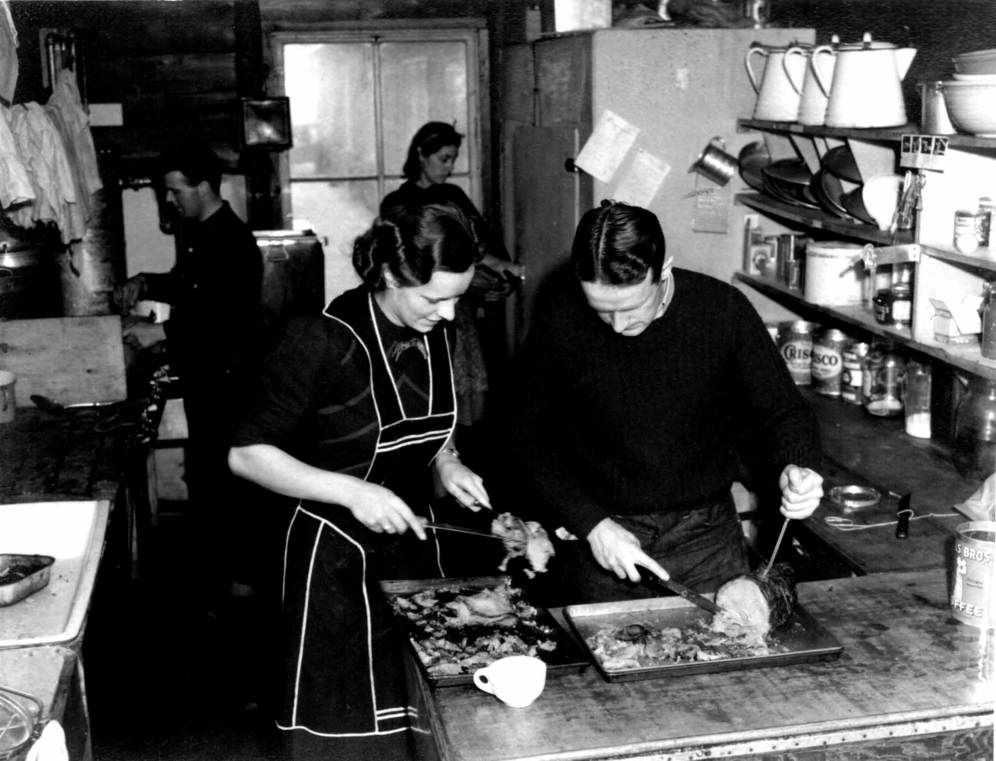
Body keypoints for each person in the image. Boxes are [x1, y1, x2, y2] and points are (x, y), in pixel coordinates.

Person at [228, 202, 491, 761]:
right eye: (434, 298)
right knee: (354, 743)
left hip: (415, 555)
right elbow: (246, 455)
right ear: (392, 275)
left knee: (430, 729)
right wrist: (355, 491)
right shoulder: (320, 339)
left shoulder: (433, 328)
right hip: (335, 565)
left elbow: (431, 425)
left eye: (457, 298)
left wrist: (448, 462)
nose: (448, 315)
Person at [506, 201, 824, 605]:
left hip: (705, 540)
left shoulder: (721, 310)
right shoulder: (561, 318)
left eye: (632, 308)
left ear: (665, 271)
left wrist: (798, 465)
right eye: (602, 312)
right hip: (603, 542)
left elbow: (784, 412)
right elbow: (525, 436)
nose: (619, 328)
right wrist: (591, 524)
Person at [113, 141, 264, 609]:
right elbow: (191, 286)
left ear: (202, 186)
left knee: (229, 480)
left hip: (229, 378)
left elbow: (223, 318)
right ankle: (224, 574)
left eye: (175, 191)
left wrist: (158, 332)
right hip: (208, 377)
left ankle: (244, 582)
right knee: (209, 473)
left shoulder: (233, 240)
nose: (170, 201)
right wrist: (147, 280)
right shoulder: (203, 232)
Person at [380, 121, 522, 446]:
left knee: (459, 395)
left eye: (453, 159)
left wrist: (501, 269)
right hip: (414, 309)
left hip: (456, 308)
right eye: (444, 158)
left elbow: (477, 243)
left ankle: (453, 464)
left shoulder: (453, 195)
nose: (450, 166)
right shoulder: (398, 201)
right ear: (421, 154)